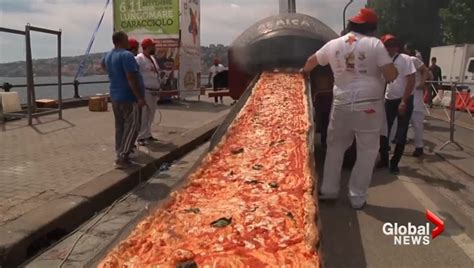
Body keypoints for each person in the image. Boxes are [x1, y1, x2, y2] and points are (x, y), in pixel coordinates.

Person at [302, 8, 398, 209]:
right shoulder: (375, 44)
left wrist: (302, 73)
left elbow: (311, 62)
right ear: (372, 28)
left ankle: (328, 190)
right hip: (369, 105)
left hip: (341, 104)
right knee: (367, 152)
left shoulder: (334, 44)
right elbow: (390, 75)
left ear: (351, 25)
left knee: (335, 147)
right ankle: (357, 197)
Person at [102, 31, 146, 169]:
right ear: (121, 40)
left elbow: (103, 66)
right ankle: (124, 155)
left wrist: (114, 75)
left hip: (115, 95)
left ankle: (119, 150)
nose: (129, 41)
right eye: (127, 39)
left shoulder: (108, 55)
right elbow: (131, 78)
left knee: (120, 125)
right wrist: (139, 97)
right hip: (128, 96)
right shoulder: (126, 55)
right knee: (133, 126)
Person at [378, 35, 416, 174]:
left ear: (397, 47)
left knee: (401, 132)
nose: (390, 48)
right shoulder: (383, 61)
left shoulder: (405, 59)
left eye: (392, 45)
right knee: (383, 131)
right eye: (387, 46)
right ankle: (383, 159)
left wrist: (404, 101)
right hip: (389, 100)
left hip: (403, 100)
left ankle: (394, 163)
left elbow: (411, 81)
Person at [405, 44, 431, 157]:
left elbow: (426, 71)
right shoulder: (397, 61)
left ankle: (419, 147)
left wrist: (422, 83)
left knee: (417, 122)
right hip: (404, 96)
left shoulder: (413, 60)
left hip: (415, 96)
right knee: (402, 123)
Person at [135, 38, 161, 146]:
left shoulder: (152, 59)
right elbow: (135, 74)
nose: (154, 48)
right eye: (152, 46)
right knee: (144, 114)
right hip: (145, 91)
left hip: (154, 91)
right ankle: (141, 137)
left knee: (151, 114)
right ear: (147, 47)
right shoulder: (139, 59)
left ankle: (147, 134)